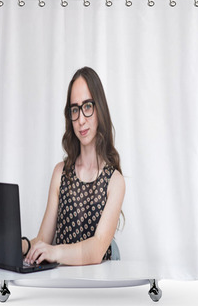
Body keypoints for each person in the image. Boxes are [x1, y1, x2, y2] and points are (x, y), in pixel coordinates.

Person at [22, 66, 125, 266]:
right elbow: (43, 240)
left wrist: (55, 251)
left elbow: (96, 250)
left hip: (97, 287)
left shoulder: (115, 181)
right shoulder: (60, 173)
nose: (81, 120)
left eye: (87, 106)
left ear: (100, 109)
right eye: (75, 109)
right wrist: (21, 245)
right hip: (62, 283)